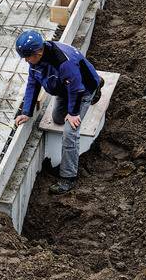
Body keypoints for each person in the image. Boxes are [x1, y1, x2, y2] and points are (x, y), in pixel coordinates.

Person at [12, 30, 104, 195]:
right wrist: (27, 111)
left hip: (82, 91)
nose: (26, 61)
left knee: (70, 132)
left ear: (38, 52)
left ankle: (68, 177)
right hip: (64, 89)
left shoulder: (63, 63)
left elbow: (76, 89)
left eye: (28, 57)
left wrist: (74, 113)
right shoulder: (35, 61)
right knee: (57, 118)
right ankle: (96, 80)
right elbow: (33, 83)